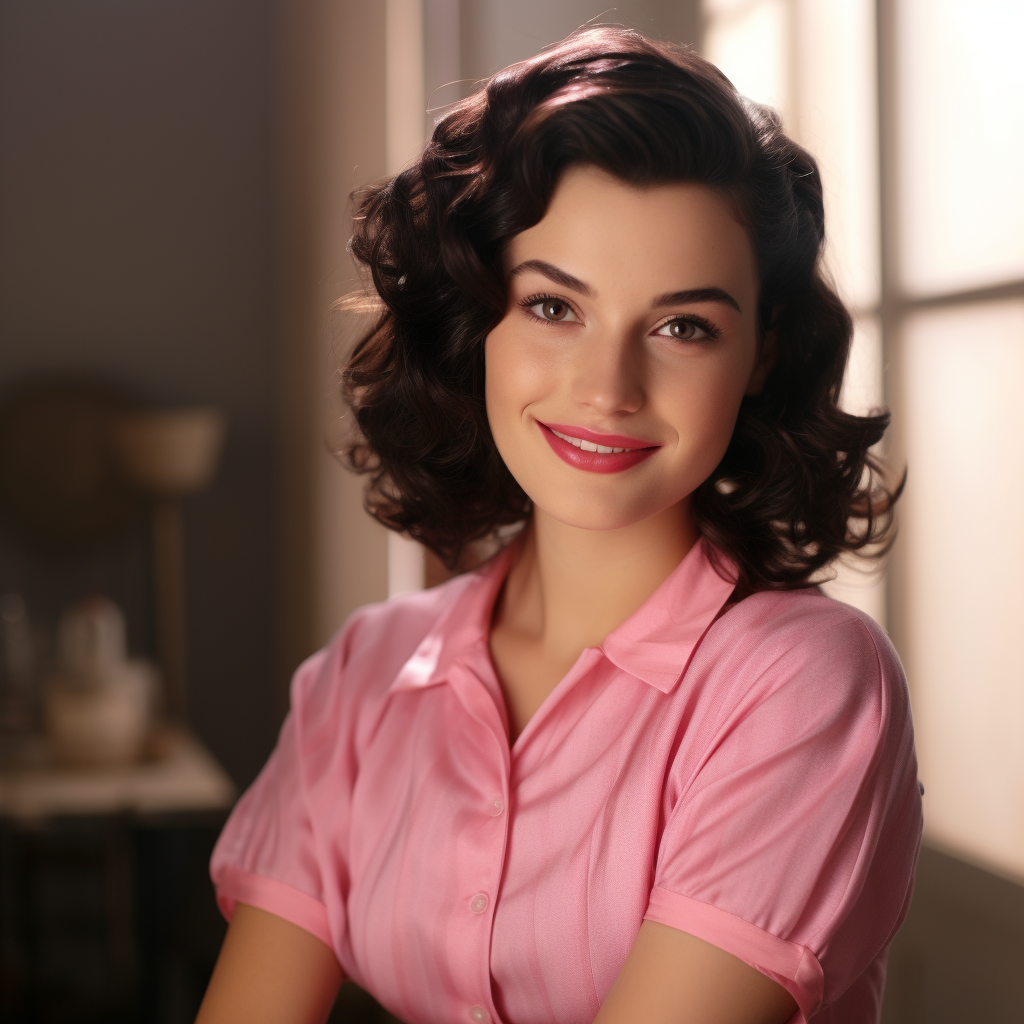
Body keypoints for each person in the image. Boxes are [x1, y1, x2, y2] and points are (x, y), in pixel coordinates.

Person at [195, 27, 922, 1024]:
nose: (608, 388)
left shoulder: (802, 681)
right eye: (552, 307)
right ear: (476, 317)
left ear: (760, 353)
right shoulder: (367, 672)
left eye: (682, 326)